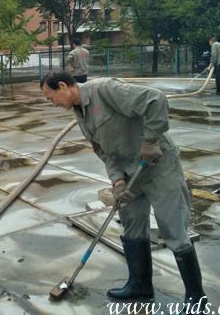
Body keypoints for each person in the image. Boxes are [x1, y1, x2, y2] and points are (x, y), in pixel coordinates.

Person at [40, 70, 207, 314]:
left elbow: (155, 99)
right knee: (132, 226)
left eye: (50, 97)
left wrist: (150, 140)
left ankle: (196, 299)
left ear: (63, 86)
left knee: (173, 228)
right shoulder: (80, 114)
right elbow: (104, 151)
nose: (52, 103)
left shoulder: (105, 90)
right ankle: (140, 286)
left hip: (159, 166)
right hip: (130, 174)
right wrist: (117, 181)